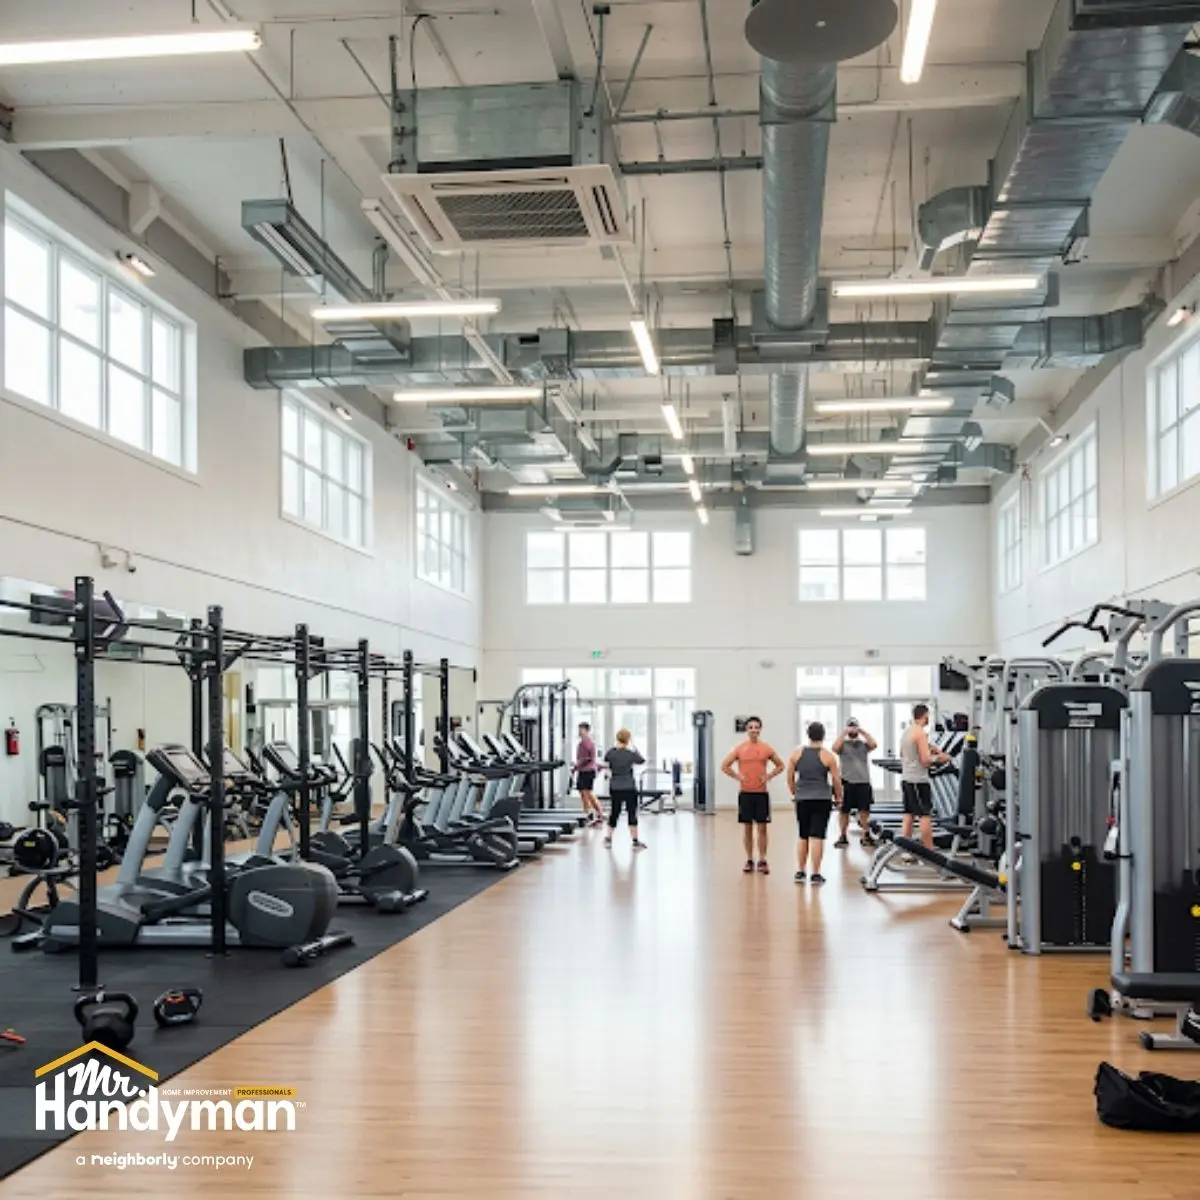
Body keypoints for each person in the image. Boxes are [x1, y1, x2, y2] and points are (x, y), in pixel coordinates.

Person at [721, 717, 785, 875]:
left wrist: (768, 776)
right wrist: (738, 777)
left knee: (762, 828)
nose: (754, 730)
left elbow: (781, 765)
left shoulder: (766, 748)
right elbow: (724, 766)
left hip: (761, 794)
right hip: (745, 793)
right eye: (751, 727)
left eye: (756, 727)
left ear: (760, 729)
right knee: (747, 828)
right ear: (747, 730)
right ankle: (749, 859)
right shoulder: (740, 748)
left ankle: (762, 860)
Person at [787, 722, 842, 885]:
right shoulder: (828, 756)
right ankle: (816, 874)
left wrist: (794, 791)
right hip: (822, 799)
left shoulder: (796, 754)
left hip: (802, 798)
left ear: (808, 735)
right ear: (823, 736)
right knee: (817, 836)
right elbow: (836, 780)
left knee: (803, 835)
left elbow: (789, 776)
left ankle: (800, 871)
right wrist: (839, 797)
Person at [899, 703, 951, 851]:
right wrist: (942, 758)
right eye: (928, 717)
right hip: (919, 780)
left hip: (907, 778)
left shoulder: (908, 731)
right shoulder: (920, 733)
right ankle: (929, 850)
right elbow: (926, 761)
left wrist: (931, 749)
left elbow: (902, 754)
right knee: (925, 816)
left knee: (909, 814)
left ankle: (905, 851)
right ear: (925, 716)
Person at [832, 717, 878, 849]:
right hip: (847, 782)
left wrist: (862, 731)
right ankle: (843, 836)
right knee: (844, 811)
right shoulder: (843, 745)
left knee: (864, 811)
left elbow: (874, 744)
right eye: (851, 726)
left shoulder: (863, 745)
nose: (853, 729)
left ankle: (865, 835)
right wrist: (844, 732)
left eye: (855, 726)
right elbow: (835, 748)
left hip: (863, 782)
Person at [602, 728, 647, 850]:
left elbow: (606, 761)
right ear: (628, 740)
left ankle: (608, 838)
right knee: (631, 813)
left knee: (614, 812)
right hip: (629, 787)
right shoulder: (630, 754)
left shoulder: (611, 753)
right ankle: (635, 841)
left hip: (615, 787)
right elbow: (642, 760)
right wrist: (634, 747)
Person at [574, 722, 603, 824]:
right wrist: (576, 766)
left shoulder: (588, 743)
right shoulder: (581, 743)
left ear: (586, 730)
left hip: (588, 771)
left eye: (581, 729)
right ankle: (588, 813)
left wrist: (577, 765)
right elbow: (581, 758)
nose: (579, 731)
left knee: (588, 792)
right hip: (582, 770)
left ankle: (599, 813)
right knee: (582, 793)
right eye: (579, 729)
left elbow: (588, 759)